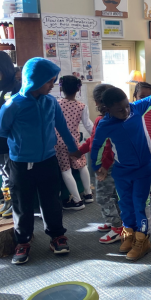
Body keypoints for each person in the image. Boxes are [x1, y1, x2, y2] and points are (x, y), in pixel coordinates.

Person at [0, 58, 79, 265]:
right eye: (49, 81)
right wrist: (19, 144)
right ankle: (23, 241)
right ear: (34, 80)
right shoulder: (12, 105)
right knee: (22, 205)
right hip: (20, 164)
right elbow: (2, 131)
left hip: (47, 160)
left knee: (51, 201)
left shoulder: (51, 102)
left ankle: (57, 236)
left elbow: (62, 127)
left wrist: (73, 149)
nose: (53, 85)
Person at [90, 87, 151, 262]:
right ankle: (128, 235)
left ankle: (143, 240)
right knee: (125, 204)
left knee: (139, 204)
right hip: (122, 171)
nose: (126, 111)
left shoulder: (136, 108)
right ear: (107, 110)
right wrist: (97, 165)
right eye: (120, 110)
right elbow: (96, 146)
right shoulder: (105, 124)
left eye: (126, 106)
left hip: (143, 169)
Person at [74, 84, 123, 244]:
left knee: (103, 197)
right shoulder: (107, 119)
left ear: (99, 103)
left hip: (106, 167)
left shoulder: (105, 121)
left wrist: (103, 167)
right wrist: (80, 151)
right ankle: (116, 222)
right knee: (114, 196)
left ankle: (117, 227)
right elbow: (94, 140)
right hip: (112, 166)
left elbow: (107, 148)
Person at [56, 76, 94, 211]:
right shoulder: (81, 106)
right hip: (74, 141)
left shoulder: (57, 104)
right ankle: (88, 194)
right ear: (78, 90)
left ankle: (77, 201)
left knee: (66, 171)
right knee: (82, 166)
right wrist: (97, 136)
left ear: (61, 88)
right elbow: (88, 125)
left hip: (58, 143)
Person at [0, 53, 21, 219]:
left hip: (9, 140)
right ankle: (7, 201)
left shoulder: (15, 86)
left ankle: (14, 202)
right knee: (3, 172)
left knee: (10, 172)